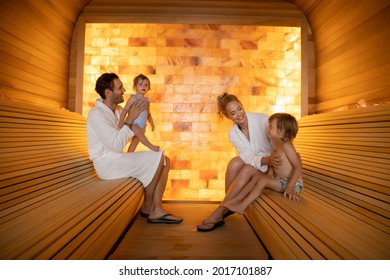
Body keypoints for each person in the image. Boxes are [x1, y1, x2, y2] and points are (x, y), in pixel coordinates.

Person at [87, 72, 182, 224]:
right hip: (107, 164)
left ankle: (157, 208)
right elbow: (117, 146)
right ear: (108, 92)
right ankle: (149, 206)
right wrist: (130, 120)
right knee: (157, 158)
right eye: (120, 88)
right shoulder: (97, 115)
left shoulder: (117, 110)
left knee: (166, 160)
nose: (124, 90)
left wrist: (140, 124)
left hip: (118, 158)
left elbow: (126, 134)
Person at [197, 92, 276, 232]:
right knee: (234, 163)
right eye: (233, 113)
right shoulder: (233, 133)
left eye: (239, 108)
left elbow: (277, 145)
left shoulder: (262, 120)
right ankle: (228, 204)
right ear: (228, 116)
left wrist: (269, 162)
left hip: (273, 163)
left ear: (242, 105)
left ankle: (221, 210)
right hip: (259, 160)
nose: (239, 114)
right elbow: (247, 156)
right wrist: (263, 160)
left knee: (246, 169)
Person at [222, 113, 303, 214]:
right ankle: (237, 199)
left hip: (293, 184)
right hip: (280, 180)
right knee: (257, 177)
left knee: (263, 180)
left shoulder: (287, 146)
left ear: (281, 131)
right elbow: (274, 165)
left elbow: (298, 168)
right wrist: (269, 176)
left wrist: (290, 187)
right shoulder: (277, 145)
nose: (267, 128)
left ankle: (242, 206)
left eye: (271, 126)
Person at [119, 74, 159, 152]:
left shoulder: (147, 100)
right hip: (134, 124)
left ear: (149, 88)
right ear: (135, 87)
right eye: (140, 84)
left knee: (135, 142)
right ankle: (151, 146)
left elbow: (148, 113)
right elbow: (126, 108)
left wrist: (152, 123)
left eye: (146, 85)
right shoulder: (134, 97)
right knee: (141, 135)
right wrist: (121, 121)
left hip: (142, 126)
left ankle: (129, 155)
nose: (143, 86)